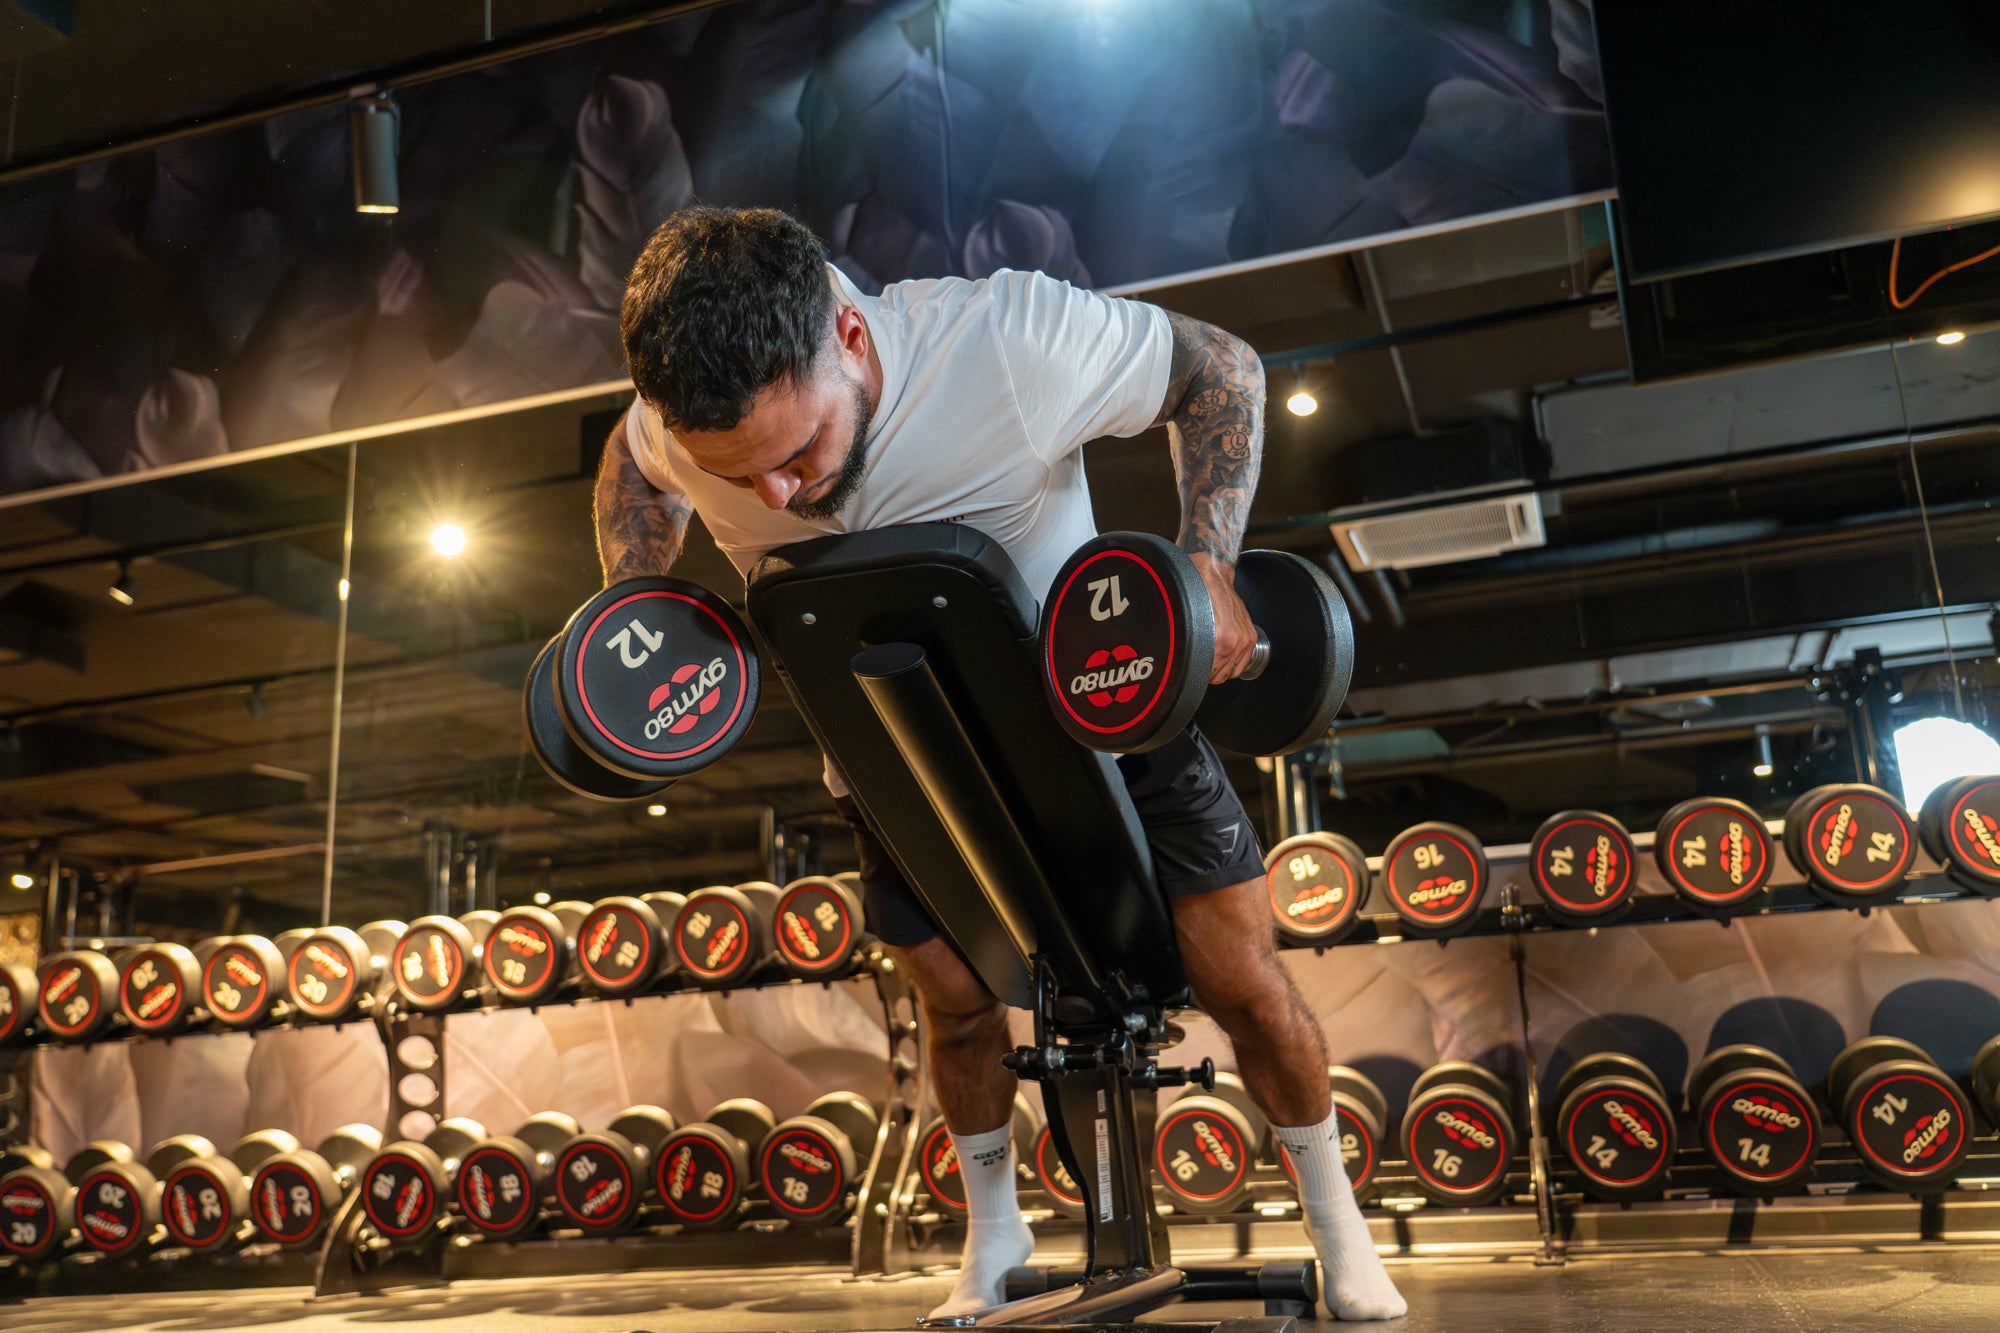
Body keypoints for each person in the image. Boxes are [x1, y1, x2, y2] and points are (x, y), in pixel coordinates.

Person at [596, 205, 1405, 1324]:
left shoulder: (1008, 340)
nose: (776, 498)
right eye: (739, 474)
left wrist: (1208, 567)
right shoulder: (672, 420)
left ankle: (1335, 1220)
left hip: (1101, 699)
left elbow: (1220, 367)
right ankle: (994, 1228)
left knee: (1240, 981)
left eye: (796, 454)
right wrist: (635, 598)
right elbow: (633, 470)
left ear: (850, 336)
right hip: (889, 744)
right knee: (957, 1003)